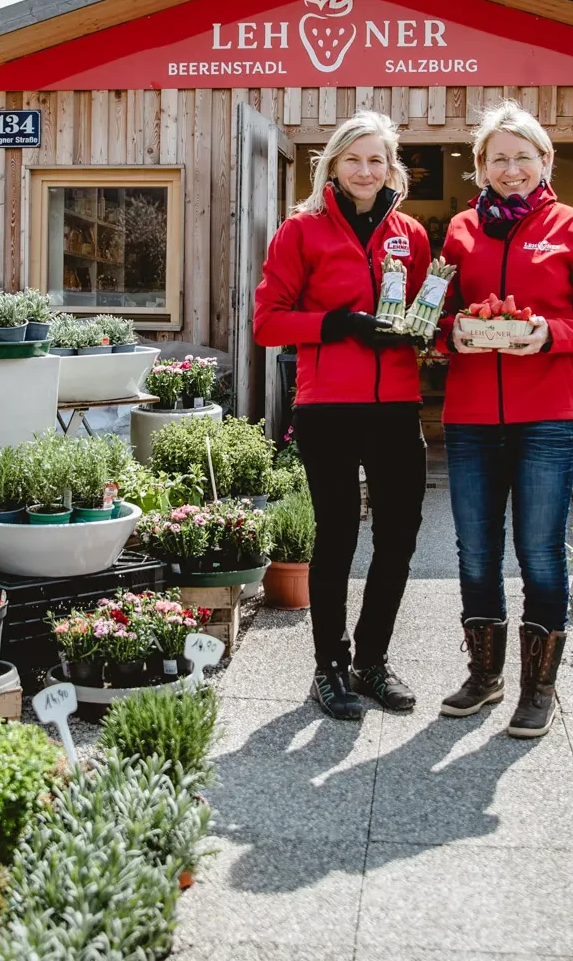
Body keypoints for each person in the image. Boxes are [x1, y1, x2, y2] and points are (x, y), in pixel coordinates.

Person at [436, 101, 573, 738]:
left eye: (523, 157)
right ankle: (485, 675)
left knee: (540, 552)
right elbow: (436, 314)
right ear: (481, 167)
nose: (511, 169)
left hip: (549, 414)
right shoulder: (461, 230)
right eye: (498, 158)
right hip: (469, 415)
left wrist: (547, 332)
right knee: (475, 553)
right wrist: (450, 335)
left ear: (544, 161)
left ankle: (537, 688)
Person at [252, 110, 431, 720]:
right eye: (353, 159)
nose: (364, 170)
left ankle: (372, 661)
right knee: (337, 538)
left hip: (396, 406)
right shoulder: (300, 232)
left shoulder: (411, 233)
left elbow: (420, 314)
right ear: (332, 164)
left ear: (391, 168)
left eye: (376, 159)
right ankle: (329, 665)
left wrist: (412, 336)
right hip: (328, 406)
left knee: (399, 539)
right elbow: (268, 321)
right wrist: (337, 324)